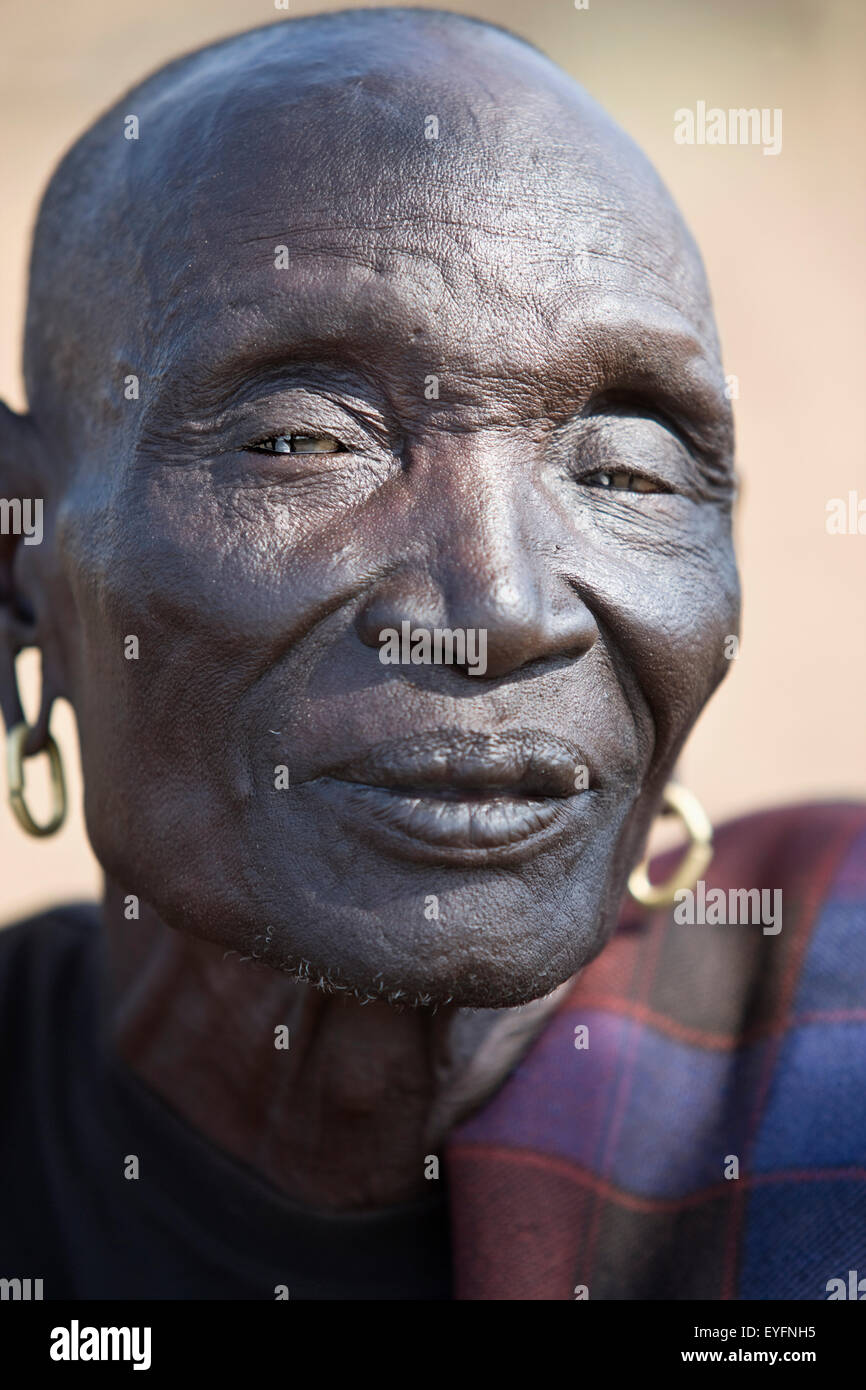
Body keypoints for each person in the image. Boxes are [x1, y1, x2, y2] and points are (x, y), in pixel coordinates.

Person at [0, 8, 863, 1301]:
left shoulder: (826, 1060)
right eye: (302, 440)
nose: (502, 606)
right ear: (24, 561)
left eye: (627, 466)